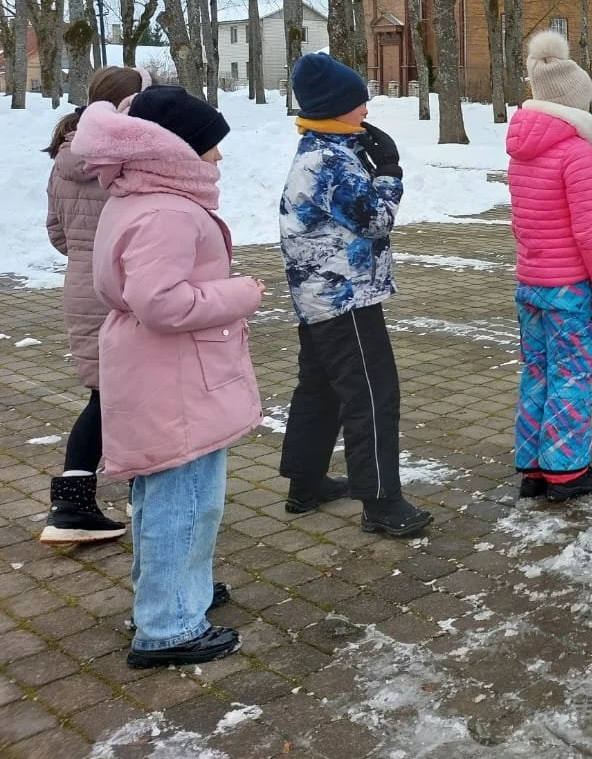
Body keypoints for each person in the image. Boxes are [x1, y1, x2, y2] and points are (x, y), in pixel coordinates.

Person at [72, 87, 264, 668]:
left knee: (173, 498)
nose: (219, 158)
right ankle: (168, 626)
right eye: (210, 148)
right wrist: (242, 293)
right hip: (174, 381)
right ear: (179, 150)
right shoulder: (167, 211)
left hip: (167, 375)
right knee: (182, 502)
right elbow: (161, 302)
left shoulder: (138, 198)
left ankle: (180, 596)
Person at [278, 54, 431, 539]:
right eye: (357, 99)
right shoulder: (330, 160)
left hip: (320, 294)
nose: (366, 106)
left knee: (320, 389)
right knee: (372, 394)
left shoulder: (326, 148)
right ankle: (382, 501)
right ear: (335, 106)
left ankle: (306, 483)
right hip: (344, 297)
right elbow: (374, 219)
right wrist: (388, 171)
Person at [38, 65, 150, 546]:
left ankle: (77, 500)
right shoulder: (126, 158)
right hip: (123, 289)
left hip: (82, 286)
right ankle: (118, 497)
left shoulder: (65, 154)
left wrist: (88, 259)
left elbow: (56, 232)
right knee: (131, 397)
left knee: (107, 397)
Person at [507, 30, 592, 502]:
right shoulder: (575, 153)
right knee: (571, 375)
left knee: (537, 370)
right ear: (575, 103)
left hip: (530, 281)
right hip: (569, 286)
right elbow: (589, 230)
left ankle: (533, 465)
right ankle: (567, 469)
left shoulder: (521, 149)